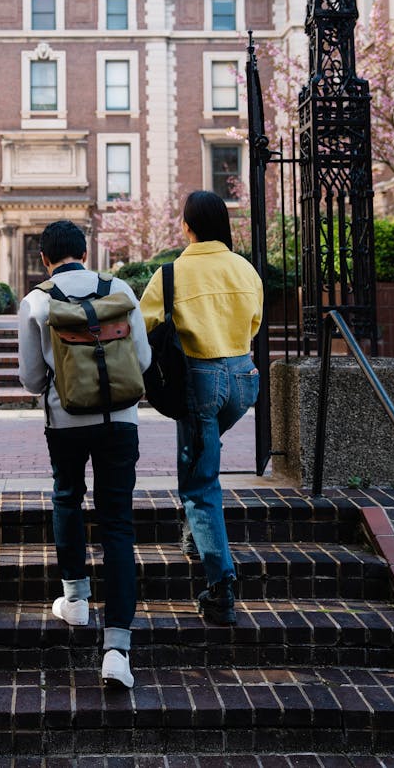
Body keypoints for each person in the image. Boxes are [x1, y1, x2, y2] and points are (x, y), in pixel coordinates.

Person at [18, 219, 151, 689]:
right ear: (86, 251)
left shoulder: (37, 300)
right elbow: (144, 360)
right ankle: (117, 649)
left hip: (66, 421)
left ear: (44, 258)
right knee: (118, 523)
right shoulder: (120, 289)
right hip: (121, 421)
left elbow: (32, 379)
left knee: (67, 497)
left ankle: (75, 600)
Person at [140, 191, 263, 625]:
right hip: (245, 380)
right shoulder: (245, 268)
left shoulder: (171, 274)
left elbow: (144, 327)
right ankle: (195, 535)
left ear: (187, 226)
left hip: (200, 379)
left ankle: (220, 585)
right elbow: (254, 323)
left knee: (200, 484)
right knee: (202, 452)